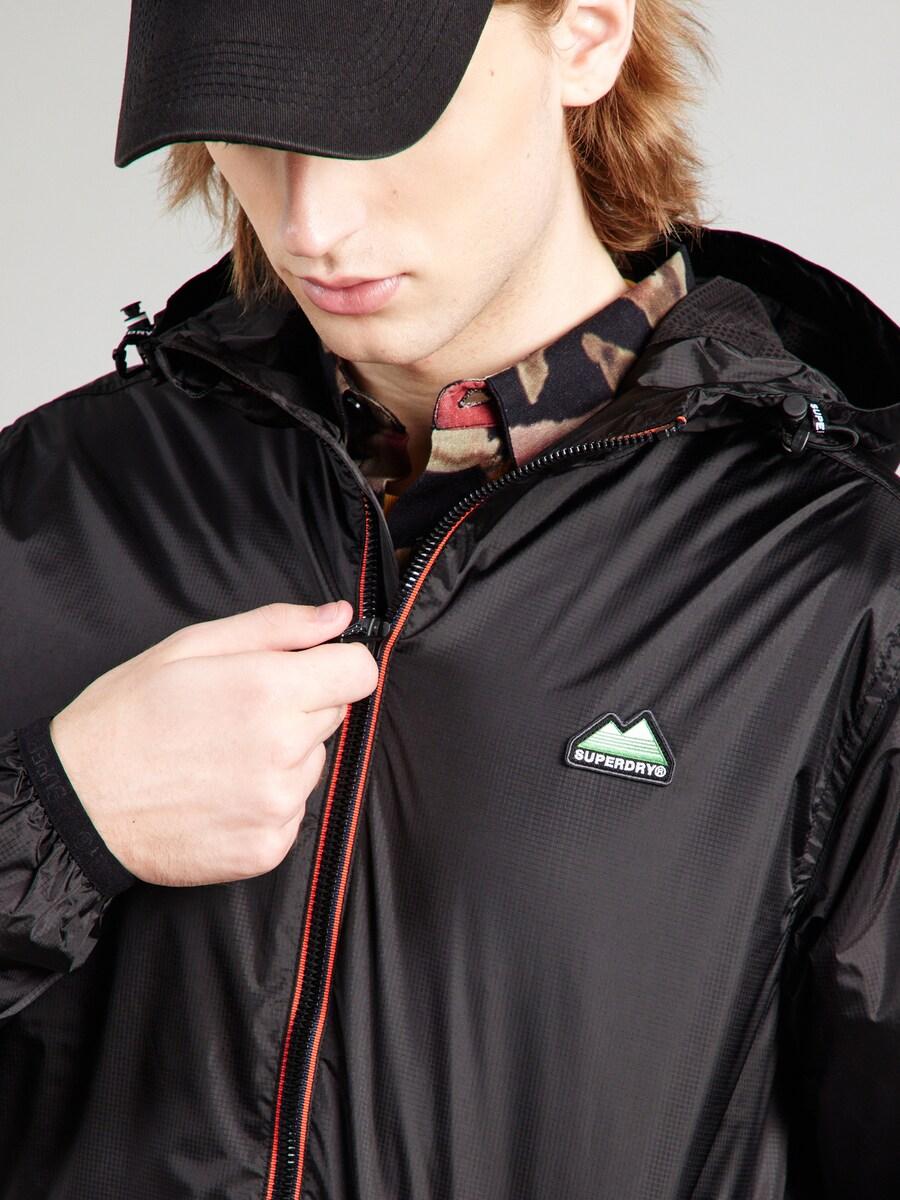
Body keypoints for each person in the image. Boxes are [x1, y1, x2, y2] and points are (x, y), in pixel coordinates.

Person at [1, 0, 898, 1196]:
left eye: (382, 125)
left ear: (586, 34)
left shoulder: (838, 583)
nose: (311, 225)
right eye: (252, 127)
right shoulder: (53, 508)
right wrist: (62, 817)